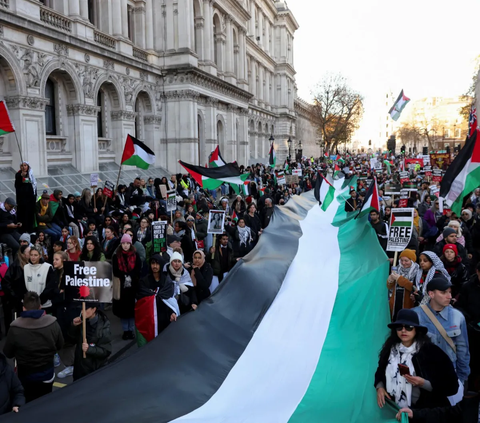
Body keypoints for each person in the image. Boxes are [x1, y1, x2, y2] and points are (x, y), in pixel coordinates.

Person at [374, 309, 458, 412]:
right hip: (395, 409)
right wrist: (380, 387)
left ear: (416, 330)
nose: (403, 331)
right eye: (399, 327)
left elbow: (452, 387)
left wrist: (424, 383)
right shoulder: (390, 350)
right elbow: (380, 371)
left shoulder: (432, 352)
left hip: (425, 412)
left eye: (409, 327)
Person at [3, 291, 64, 403]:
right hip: (47, 373)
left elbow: (7, 352)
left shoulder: (15, 328)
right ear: (40, 307)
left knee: (27, 404)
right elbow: (60, 345)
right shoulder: (53, 323)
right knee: (45, 402)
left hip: (25, 375)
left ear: (24, 308)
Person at [414, 276, 470, 386]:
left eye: (450, 292)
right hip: (423, 376)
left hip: (450, 375)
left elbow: (463, 349)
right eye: (444, 292)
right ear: (431, 294)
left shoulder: (457, 316)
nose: (449, 296)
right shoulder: (416, 315)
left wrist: (462, 378)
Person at [136, 255, 178, 342]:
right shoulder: (144, 281)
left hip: (164, 318)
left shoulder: (166, 281)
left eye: (157, 264)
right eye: (153, 263)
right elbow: (141, 300)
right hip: (149, 318)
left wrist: (172, 312)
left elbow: (169, 300)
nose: (155, 266)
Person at [68, 303, 112, 381]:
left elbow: (106, 351)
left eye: (85, 309)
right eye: (81, 309)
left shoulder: (103, 328)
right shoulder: (82, 321)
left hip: (94, 369)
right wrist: (74, 326)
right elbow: (71, 340)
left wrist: (89, 349)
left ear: (94, 309)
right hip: (80, 366)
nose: (82, 312)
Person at [455, 262, 480, 391]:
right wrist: (469, 322)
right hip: (472, 331)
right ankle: (470, 388)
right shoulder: (468, 287)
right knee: (473, 359)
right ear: (477, 272)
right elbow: (460, 307)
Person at [112, 234, 141, 340]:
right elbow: (115, 270)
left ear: (130, 244)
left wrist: (131, 276)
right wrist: (124, 276)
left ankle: (131, 329)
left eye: (127, 243)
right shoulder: (116, 256)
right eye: (123, 243)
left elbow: (138, 268)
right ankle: (125, 330)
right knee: (123, 312)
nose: (125, 245)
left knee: (132, 311)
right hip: (121, 287)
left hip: (133, 287)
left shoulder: (135, 255)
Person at [388, 249, 419, 320]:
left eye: (406, 261)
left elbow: (413, 287)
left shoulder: (417, 271)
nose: (403, 263)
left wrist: (400, 279)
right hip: (395, 300)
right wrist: (390, 280)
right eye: (401, 260)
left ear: (412, 261)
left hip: (408, 302)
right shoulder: (397, 269)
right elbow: (389, 286)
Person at [23, 245, 56, 312]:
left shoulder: (48, 267)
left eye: (35, 255)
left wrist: (40, 301)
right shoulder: (25, 267)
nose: (33, 257)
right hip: (29, 305)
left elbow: (50, 287)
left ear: (40, 256)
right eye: (31, 255)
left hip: (44, 305)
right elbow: (23, 286)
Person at [14, 161, 37, 234]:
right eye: (22, 165)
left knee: (30, 216)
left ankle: (30, 230)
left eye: (25, 165)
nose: (23, 167)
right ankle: (23, 231)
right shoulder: (18, 174)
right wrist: (21, 175)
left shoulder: (30, 175)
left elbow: (34, 186)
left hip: (30, 200)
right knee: (23, 216)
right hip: (22, 201)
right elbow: (17, 185)